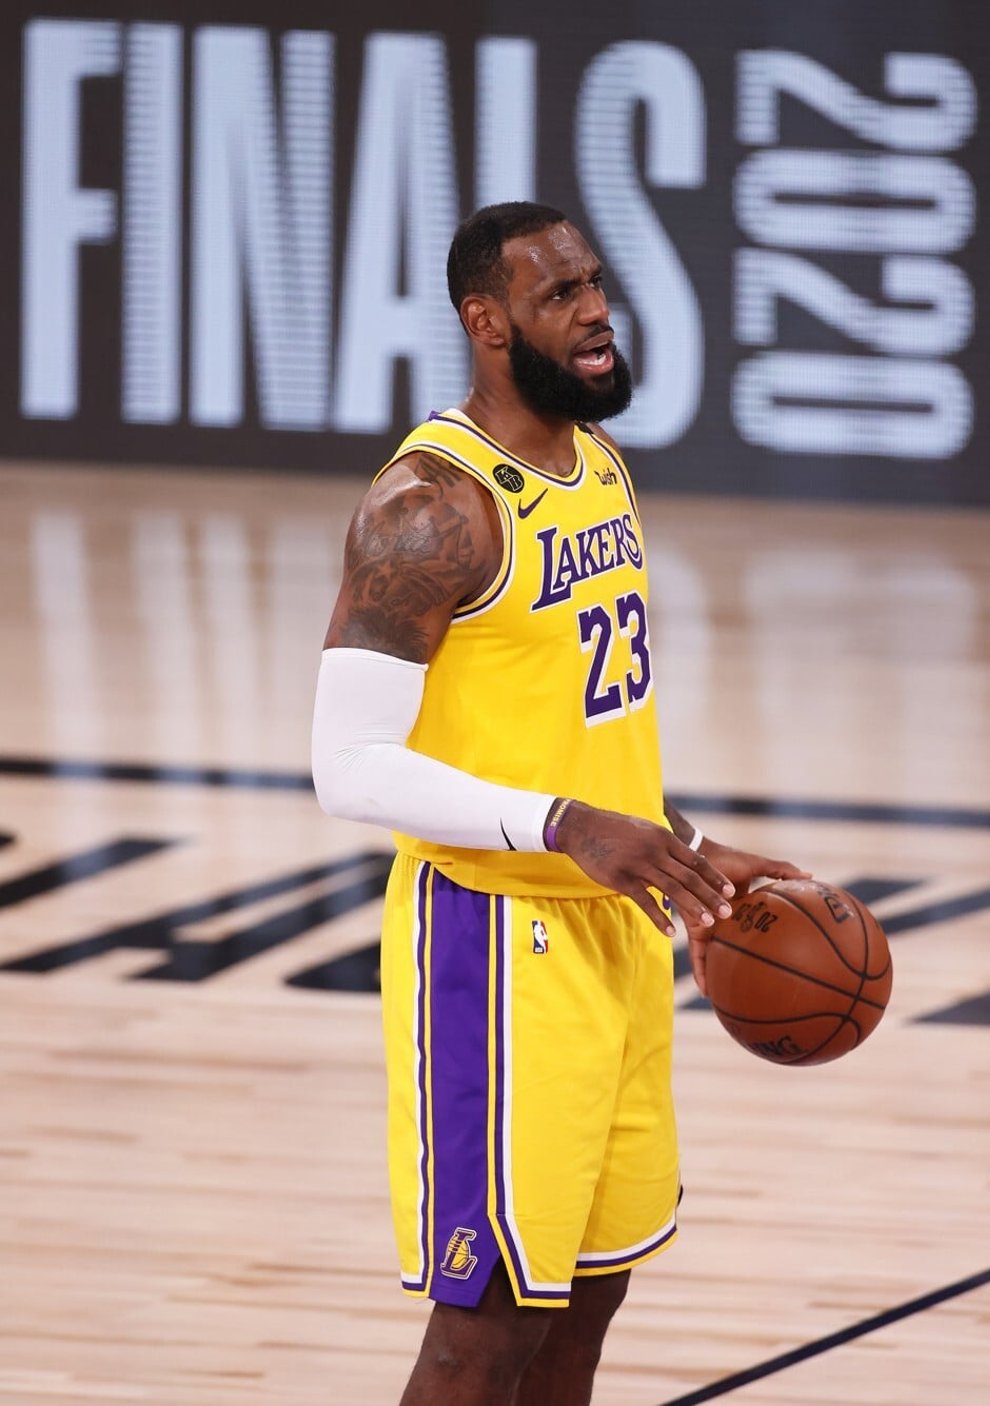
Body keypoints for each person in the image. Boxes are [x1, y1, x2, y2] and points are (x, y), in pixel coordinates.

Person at [311, 201, 807, 1406]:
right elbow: (348, 764)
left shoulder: (595, 464)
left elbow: (570, 730)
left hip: (615, 936)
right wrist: (563, 827)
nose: (595, 312)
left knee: (589, 1294)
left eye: (595, 284)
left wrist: (678, 841)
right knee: (480, 1329)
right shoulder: (429, 506)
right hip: (492, 950)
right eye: (560, 294)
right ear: (486, 321)